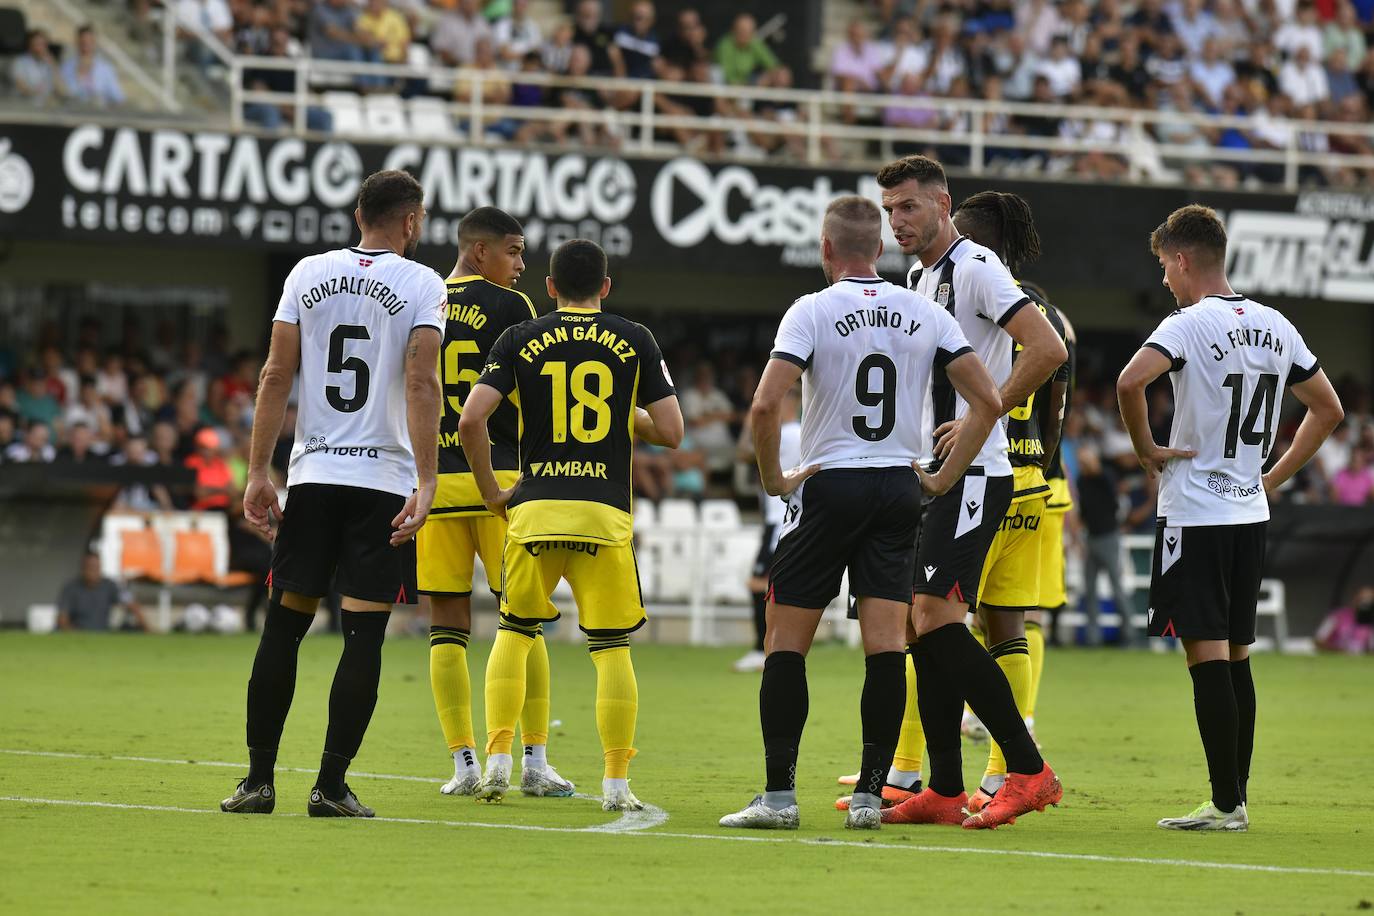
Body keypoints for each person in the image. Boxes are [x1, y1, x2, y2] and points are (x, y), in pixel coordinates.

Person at [718, 196, 1000, 832]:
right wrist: (938, 479)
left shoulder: (810, 310)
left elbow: (766, 408)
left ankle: (779, 798)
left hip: (830, 485)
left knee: (785, 645)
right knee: (884, 648)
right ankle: (873, 797)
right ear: (879, 249)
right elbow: (985, 400)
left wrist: (774, 480)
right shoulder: (925, 309)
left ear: (826, 250)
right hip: (898, 488)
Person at [220, 169, 447, 819]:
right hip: (380, 484)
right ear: (411, 221)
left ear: (357, 214)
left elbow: (274, 374)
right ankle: (330, 787)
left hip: (314, 478)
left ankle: (258, 781)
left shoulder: (306, 274)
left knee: (284, 628)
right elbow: (422, 382)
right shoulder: (423, 284)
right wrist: (427, 478)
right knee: (363, 637)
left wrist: (259, 470)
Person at [1117, 204, 1343, 831]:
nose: (1164, 278)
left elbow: (1129, 382)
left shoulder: (1188, 324)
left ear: (1183, 260)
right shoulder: (1276, 324)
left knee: (1206, 655)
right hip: (1249, 512)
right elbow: (1328, 409)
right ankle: (1234, 798)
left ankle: (1223, 803)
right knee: (1238, 655)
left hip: (1194, 511)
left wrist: (1146, 450)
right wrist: (1272, 477)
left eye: (1165, 265)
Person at [458, 239, 682, 813]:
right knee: (612, 651)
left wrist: (490, 492)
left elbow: (471, 419)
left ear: (549, 287)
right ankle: (615, 785)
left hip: (534, 509)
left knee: (513, 633)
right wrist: (618, 414)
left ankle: (498, 765)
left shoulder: (518, 338)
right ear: (606, 287)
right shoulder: (635, 338)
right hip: (603, 515)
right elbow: (672, 431)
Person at [875, 155, 1065, 830]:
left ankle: (1028, 768)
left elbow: (1045, 349)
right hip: (930, 474)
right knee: (919, 626)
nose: (897, 220)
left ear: (941, 203)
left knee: (935, 618)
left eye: (909, 207)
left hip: (978, 474)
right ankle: (946, 787)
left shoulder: (976, 267)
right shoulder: (920, 275)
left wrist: (987, 410)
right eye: (890, 209)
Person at [419, 206, 573, 799]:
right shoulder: (512, 310)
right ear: (479, 252)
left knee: (445, 626)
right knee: (523, 623)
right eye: (514, 251)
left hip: (435, 483)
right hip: (502, 485)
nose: (522, 265)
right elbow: (532, 397)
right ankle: (533, 761)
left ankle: (460, 763)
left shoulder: (422, 299)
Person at [949, 193, 1071, 813]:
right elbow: (1058, 409)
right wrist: (1043, 471)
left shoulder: (968, 294)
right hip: (1037, 484)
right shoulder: (1053, 314)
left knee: (934, 620)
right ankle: (1003, 770)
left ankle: (912, 768)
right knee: (1012, 624)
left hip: (980, 472)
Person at [734, 385, 801, 674]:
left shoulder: (788, 434)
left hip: (779, 519)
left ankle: (761, 650)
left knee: (759, 584)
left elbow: (745, 453)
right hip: (782, 517)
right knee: (770, 585)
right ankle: (769, 648)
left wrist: (750, 421)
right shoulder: (799, 433)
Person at [57, 553, 148, 632]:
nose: (92, 571)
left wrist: (147, 627)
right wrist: (73, 633)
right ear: (83, 568)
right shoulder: (70, 588)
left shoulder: (110, 585)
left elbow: (130, 602)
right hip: (78, 633)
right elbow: (62, 618)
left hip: (103, 634)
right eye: (89, 567)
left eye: (95, 567)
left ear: (100, 567)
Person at [61, 25, 125, 108]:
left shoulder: (105, 68)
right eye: (83, 42)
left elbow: (118, 97)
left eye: (89, 42)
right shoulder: (66, 67)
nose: (86, 45)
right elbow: (64, 92)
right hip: (74, 112)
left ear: (94, 42)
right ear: (77, 42)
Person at [12, 30, 63, 105]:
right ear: (30, 45)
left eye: (43, 44)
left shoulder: (49, 63)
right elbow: (21, 86)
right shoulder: (20, 62)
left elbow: (61, 89)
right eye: (37, 44)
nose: (40, 48)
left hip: (48, 106)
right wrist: (37, 94)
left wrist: (53, 66)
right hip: (27, 105)